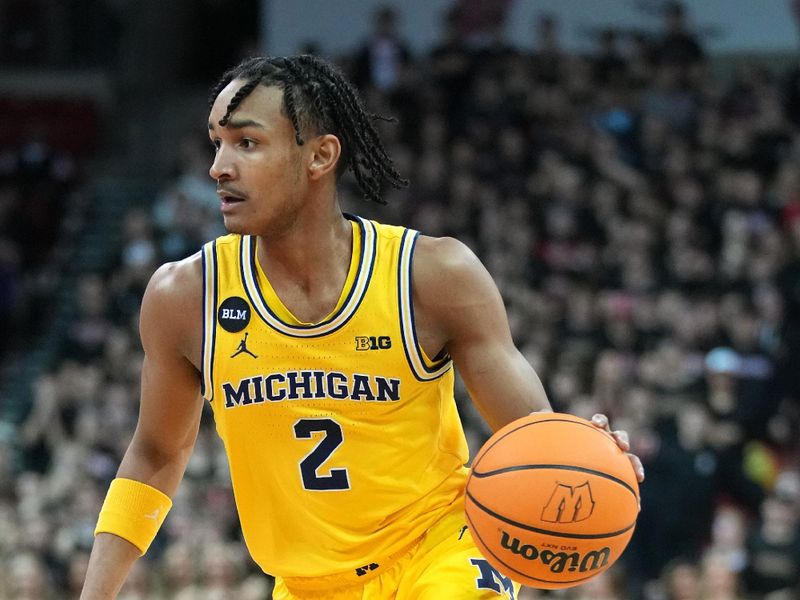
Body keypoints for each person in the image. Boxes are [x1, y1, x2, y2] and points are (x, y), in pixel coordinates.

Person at [80, 54, 644, 599]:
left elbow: (532, 438)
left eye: (247, 143)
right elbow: (154, 456)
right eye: (217, 143)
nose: (219, 167)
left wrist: (585, 460)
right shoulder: (186, 296)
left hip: (440, 550)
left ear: (320, 156)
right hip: (307, 585)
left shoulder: (431, 275)